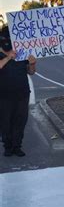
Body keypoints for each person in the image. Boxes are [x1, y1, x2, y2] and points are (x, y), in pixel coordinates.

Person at [0, 27, 36, 157]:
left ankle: (17, 146)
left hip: (22, 94)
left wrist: (32, 64)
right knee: (5, 122)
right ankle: (7, 146)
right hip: (4, 95)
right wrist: (9, 57)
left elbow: (31, 72)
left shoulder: (23, 53)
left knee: (20, 121)